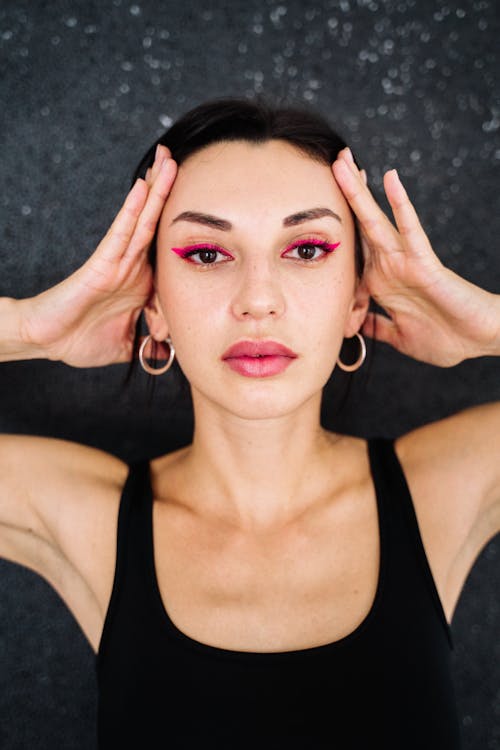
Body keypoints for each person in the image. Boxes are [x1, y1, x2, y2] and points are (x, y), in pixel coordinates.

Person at [0, 98, 499, 749]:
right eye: (207, 254)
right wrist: (27, 327)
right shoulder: (84, 515)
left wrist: (489, 324)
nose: (258, 300)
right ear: (153, 302)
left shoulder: (441, 491)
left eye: (308, 247)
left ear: (357, 298)